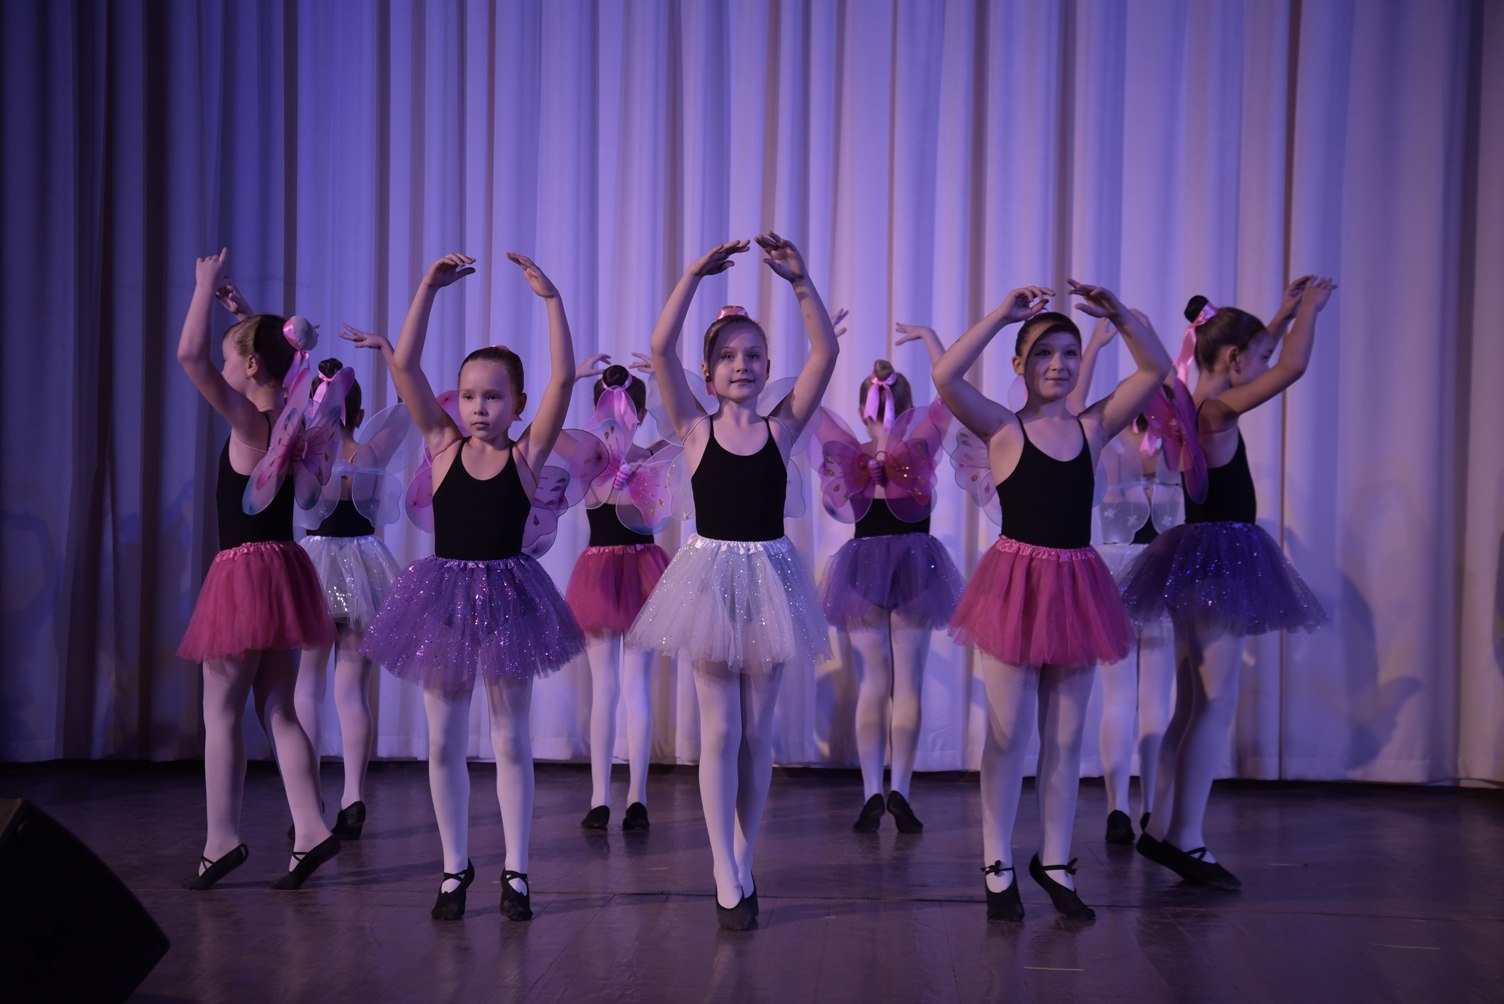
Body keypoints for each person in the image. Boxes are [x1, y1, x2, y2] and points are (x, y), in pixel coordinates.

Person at [354, 251, 587, 921]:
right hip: (443, 603)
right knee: (443, 741)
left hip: (512, 599)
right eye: (470, 395)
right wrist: (427, 287)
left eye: (494, 396)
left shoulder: (526, 455)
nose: (480, 407)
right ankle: (455, 866)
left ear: (517, 404)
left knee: (510, 739)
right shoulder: (442, 445)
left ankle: (516, 869)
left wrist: (552, 301)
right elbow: (404, 365)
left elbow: (563, 378)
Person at [935, 281, 1170, 921]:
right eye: (1043, 353)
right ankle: (997, 862)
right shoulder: (1002, 427)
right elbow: (946, 376)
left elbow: (1155, 369)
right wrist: (1001, 316)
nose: (1059, 364)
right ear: (1020, 364)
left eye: (1068, 353)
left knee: (1065, 737)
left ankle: (1058, 860)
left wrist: (1119, 314)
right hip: (1014, 586)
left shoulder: (1094, 426)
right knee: (1009, 734)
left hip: (1076, 586)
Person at [627, 234, 838, 930]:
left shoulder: (783, 430)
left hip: (771, 579)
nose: (740, 365)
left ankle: (745, 855)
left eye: (752, 356)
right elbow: (659, 348)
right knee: (719, 730)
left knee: (757, 732)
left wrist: (800, 281)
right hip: (711, 580)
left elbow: (826, 354)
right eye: (727, 357)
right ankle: (723, 867)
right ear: (708, 373)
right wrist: (693, 275)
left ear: (768, 368)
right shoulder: (693, 429)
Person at [1121, 277, 1335, 891]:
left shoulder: (1193, 401)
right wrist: (1310, 312)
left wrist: (1282, 313)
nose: (1266, 362)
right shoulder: (1218, 410)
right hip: (1219, 560)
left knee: (1192, 704)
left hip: (1192, 558)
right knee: (1213, 706)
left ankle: (1161, 825)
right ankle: (1185, 838)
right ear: (1235, 359)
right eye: (1257, 355)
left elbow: (1260, 353)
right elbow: (1291, 367)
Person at [176, 248, 340, 890]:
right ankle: (312, 827)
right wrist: (246, 313)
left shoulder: (248, 424)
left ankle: (221, 841)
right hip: (284, 571)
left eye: (232, 360)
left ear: (249, 367)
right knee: (278, 707)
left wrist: (202, 287)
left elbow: (190, 357)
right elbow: (283, 363)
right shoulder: (291, 417)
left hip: (243, 576)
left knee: (220, 712)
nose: (221, 370)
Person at [813, 323, 963, 834]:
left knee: (873, 683)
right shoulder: (922, 446)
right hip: (917, 567)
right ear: (908, 406)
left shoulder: (847, 452)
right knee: (909, 684)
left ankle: (871, 794)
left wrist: (821, 346)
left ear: (863, 410)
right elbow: (950, 390)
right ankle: (899, 789)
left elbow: (806, 409)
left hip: (862, 571)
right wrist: (930, 340)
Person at [1067, 318, 1180, 846]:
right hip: (1161, 576)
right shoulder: (1176, 451)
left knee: (1119, 697)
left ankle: (1119, 806)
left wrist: (1094, 347)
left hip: (1116, 574)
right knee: (1154, 697)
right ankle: (1150, 806)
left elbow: (1075, 408)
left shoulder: (1108, 446)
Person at [295, 350, 412, 840]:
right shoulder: (372, 453)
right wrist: (389, 351)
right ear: (359, 414)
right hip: (366, 567)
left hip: (315, 568)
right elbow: (408, 406)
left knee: (307, 686)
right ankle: (353, 796)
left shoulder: (302, 454)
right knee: (351, 691)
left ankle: (307, 800)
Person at [565, 362, 673, 832]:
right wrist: (667, 378)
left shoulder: (635, 459)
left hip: (629, 574)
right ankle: (618, 798)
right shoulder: (644, 458)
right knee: (623, 689)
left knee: (619, 690)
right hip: (618, 574)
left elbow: (692, 429)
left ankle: (621, 798)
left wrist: (569, 381)